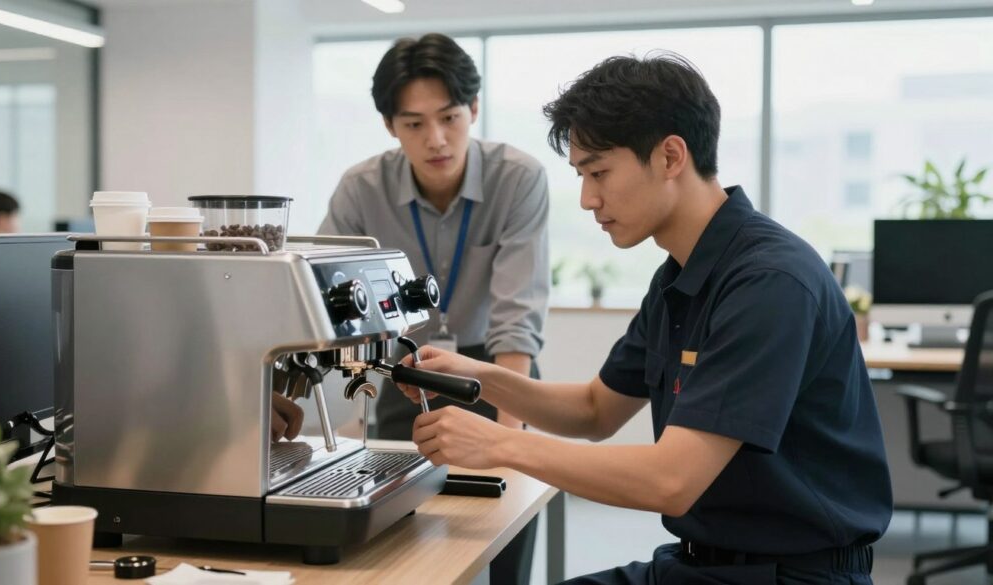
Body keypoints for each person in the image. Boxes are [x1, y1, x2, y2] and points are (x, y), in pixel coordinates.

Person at [395, 53, 893, 585]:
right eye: (582, 176)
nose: (588, 199)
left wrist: (500, 444)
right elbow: (594, 410)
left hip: (791, 576)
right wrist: (480, 377)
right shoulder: (680, 276)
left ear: (671, 156)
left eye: (599, 172)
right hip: (700, 564)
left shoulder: (768, 282)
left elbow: (671, 481)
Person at [317, 33, 549, 584]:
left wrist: (509, 440)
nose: (436, 139)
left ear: (473, 108)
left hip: (497, 367)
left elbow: (516, 319)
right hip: (407, 369)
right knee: (407, 534)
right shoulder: (360, 190)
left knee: (503, 523)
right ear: (389, 125)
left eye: (448, 117)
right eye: (414, 123)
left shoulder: (518, 178)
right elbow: (321, 305)